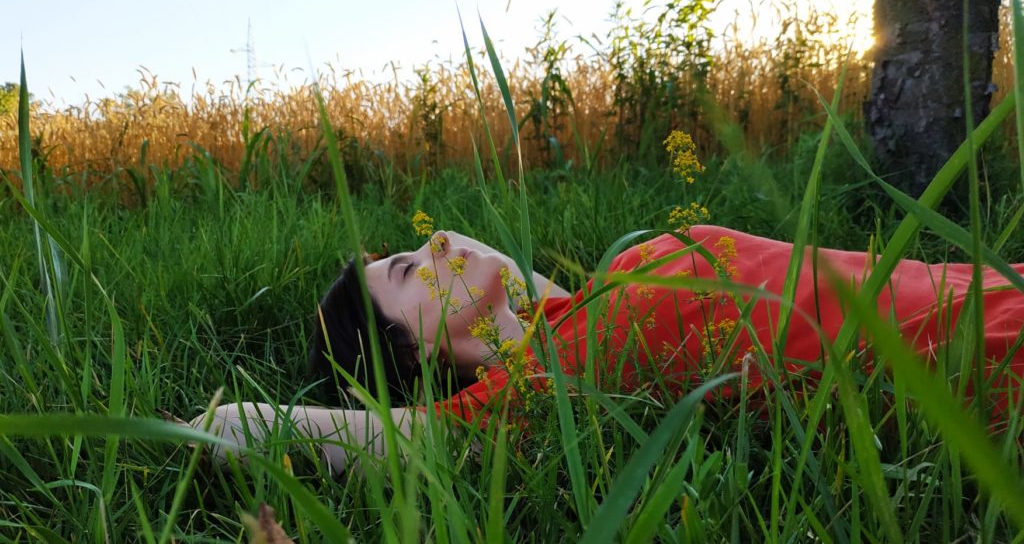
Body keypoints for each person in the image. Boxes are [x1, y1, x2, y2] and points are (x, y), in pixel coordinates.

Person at [191, 226, 1024, 474]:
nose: (439, 233)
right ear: (414, 356)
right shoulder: (543, 388)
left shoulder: (596, 295)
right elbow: (403, 442)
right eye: (409, 269)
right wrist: (209, 424)